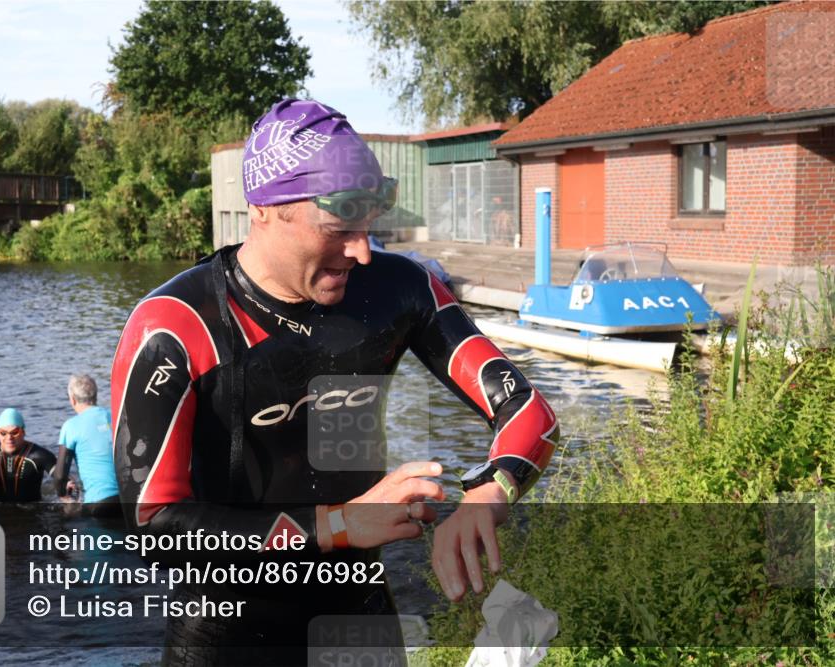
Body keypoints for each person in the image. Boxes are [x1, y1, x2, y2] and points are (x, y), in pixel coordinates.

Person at [111, 99, 559, 665]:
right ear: (263, 207)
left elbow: (528, 412)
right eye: (339, 227)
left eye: (370, 225)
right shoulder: (176, 323)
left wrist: (492, 492)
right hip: (226, 634)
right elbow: (155, 528)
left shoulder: (399, 289)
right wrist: (341, 524)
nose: (361, 251)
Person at [53, 374, 120, 517]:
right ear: (95, 396)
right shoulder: (116, 415)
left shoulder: (70, 426)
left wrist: (64, 497)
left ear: (72, 399)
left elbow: (59, 476)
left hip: (98, 503)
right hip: (130, 500)